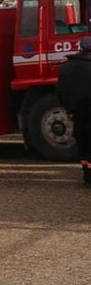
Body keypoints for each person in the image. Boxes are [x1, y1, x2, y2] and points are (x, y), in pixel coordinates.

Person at [56, 36, 91, 187]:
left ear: (80, 48)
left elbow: (60, 91)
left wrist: (69, 109)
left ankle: (87, 176)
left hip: (77, 113)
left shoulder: (65, 68)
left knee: (83, 144)